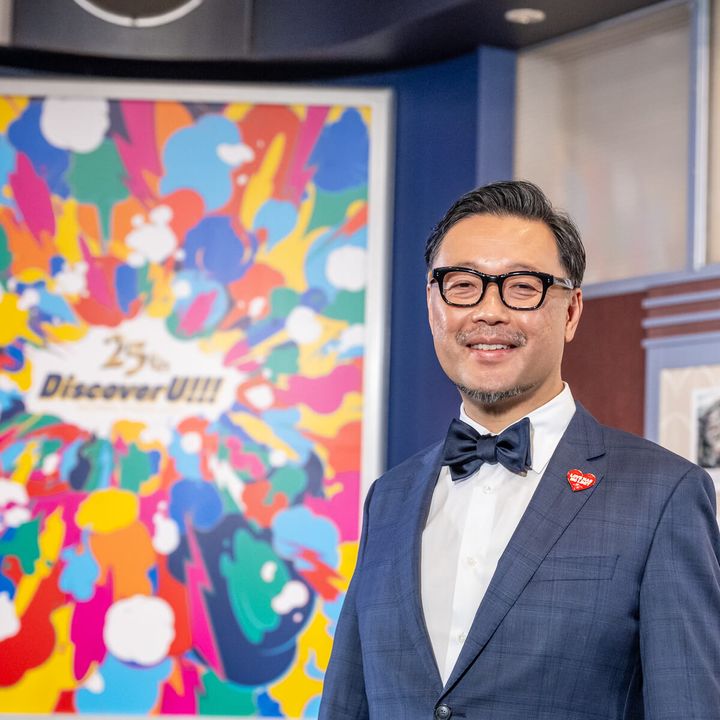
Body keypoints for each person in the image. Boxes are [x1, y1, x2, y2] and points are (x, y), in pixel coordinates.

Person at [318, 180, 720, 719]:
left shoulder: (663, 495)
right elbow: (347, 705)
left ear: (571, 312)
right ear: (433, 305)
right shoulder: (388, 497)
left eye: (522, 287)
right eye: (463, 285)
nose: (489, 312)